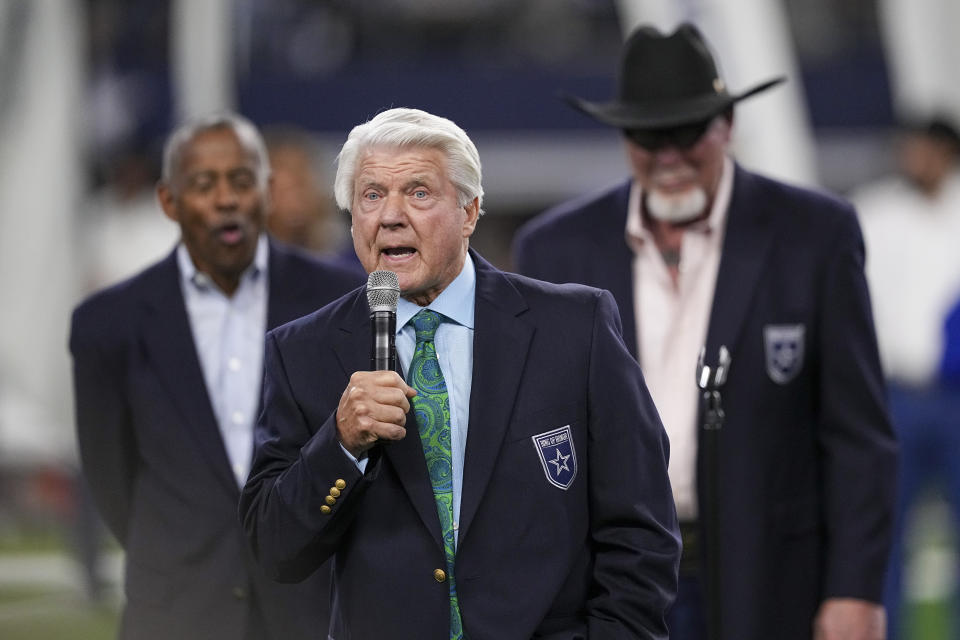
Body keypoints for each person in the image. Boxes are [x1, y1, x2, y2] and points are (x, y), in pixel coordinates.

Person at [512, 23, 897, 640]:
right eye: (647, 134)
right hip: (610, 579)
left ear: (728, 126)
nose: (668, 155)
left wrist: (855, 588)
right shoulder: (555, 249)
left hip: (771, 573)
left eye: (688, 131)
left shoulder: (814, 235)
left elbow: (857, 435)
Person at [239, 107, 681, 639]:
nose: (391, 216)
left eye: (418, 193)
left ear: (470, 212)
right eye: (372, 196)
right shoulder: (302, 352)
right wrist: (340, 443)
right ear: (352, 218)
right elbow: (272, 551)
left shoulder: (574, 328)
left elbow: (640, 529)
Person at [70, 112, 363, 640]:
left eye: (242, 181)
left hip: (312, 610)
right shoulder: (107, 324)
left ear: (267, 191)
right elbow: (110, 479)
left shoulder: (340, 298)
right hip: (174, 612)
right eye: (204, 184)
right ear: (169, 201)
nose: (226, 199)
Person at [851, 117, 960, 639]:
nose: (913, 158)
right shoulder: (876, 213)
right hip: (897, 394)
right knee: (885, 530)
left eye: (924, 149)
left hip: (957, 396)